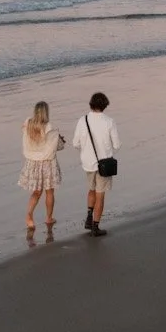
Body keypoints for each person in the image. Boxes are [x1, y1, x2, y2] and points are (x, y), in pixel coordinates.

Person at [75, 91, 120, 236]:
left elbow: (75, 143)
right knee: (100, 195)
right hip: (104, 164)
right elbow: (117, 144)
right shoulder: (109, 121)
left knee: (91, 189)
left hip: (87, 162)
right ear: (105, 105)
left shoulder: (83, 120)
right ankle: (95, 226)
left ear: (91, 103)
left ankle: (89, 216)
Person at [18, 100, 65, 239]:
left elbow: (27, 139)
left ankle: (29, 215)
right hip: (47, 162)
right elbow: (56, 147)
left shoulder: (28, 124)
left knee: (36, 192)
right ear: (46, 112)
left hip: (32, 162)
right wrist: (60, 139)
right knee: (49, 192)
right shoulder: (49, 127)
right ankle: (49, 218)